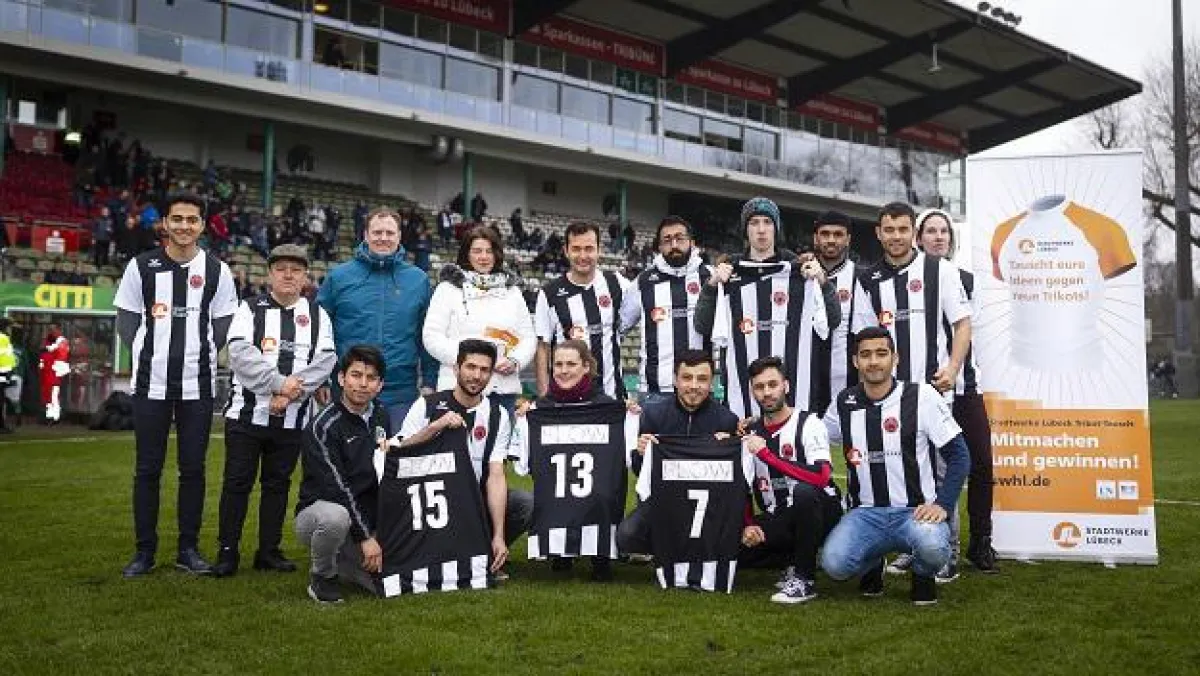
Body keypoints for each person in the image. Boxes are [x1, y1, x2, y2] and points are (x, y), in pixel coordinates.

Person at [114, 193, 239, 577]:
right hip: (150, 384)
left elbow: (222, 328)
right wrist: (152, 356)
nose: (185, 226)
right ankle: (144, 552)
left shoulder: (217, 271)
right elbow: (127, 323)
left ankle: (188, 549)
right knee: (147, 470)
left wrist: (191, 355)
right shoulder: (140, 267)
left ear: (202, 226)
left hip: (197, 384)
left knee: (193, 470)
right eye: (178, 219)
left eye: (192, 220)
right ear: (165, 223)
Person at [849, 202, 974, 581]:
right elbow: (865, 338)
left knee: (940, 473)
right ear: (879, 233)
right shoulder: (867, 280)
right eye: (889, 230)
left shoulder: (940, 270)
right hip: (890, 398)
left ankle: (947, 552)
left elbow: (962, 324)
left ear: (913, 233)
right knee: (903, 473)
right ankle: (911, 544)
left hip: (932, 392)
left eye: (903, 229)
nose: (896, 236)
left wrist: (952, 368)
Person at [819, 327, 970, 606]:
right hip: (865, 513)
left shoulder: (922, 396)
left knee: (934, 549)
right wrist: (762, 426)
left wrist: (943, 505)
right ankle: (873, 563)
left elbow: (960, 455)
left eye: (881, 353)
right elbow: (814, 434)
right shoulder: (844, 402)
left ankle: (923, 574)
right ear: (855, 362)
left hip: (915, 512)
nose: (873, 361)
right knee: (835, 564)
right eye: (865, 355)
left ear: (895, 358)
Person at [213, 244, 337, 578]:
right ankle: (227, 552)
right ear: (270, 274)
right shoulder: (249, 308)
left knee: (277, 485)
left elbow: (325, 361)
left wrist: (291, 395)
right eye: (281, 269)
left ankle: (268, 551)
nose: (288, 275)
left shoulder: (317, 315)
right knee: (237, 483)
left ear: (305, 276)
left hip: (293, 418)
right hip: (246, 415)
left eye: (295, 270)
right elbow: (240, 355)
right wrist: (280, 385)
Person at [388, 339, 533, 581]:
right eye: (470, 367)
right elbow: (399, 451)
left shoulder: (497, 415)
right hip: (431, 501)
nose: (476, 376)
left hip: (474, 501)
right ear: (456, 369)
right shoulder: (427, 405)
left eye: (484, 370)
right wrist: (435, 427)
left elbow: (496, 474)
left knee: (524, 503)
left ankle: (488, 553)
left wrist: (499, 535)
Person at [694, 196, 840, 418]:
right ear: (746, 230)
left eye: (767, 222)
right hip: (743, 393)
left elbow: (833, 320)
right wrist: (712, 287)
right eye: (754, 223)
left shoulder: (799, 271)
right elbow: (702, 325)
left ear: (776, 228)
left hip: (793, 390)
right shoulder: (730, 272)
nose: (761, 230)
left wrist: (823, 282)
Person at [913, 208, 998, 576]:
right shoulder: (908, 278)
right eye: (930, 231)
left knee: (981, 463)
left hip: (964, 387)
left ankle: (981, 542)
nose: (938, 237)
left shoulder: (966, 279)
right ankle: (924, 543)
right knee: (925, 467)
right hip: (929, 388)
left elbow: (970, 330)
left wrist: (956, 368)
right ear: (919, 239)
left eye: (944, 231)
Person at [512, 340, 638, 582]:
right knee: (557, 494)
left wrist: (628, 415)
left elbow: (628, 456)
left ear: (586, 367)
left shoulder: (607, 407)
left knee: (602, 493)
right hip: (558, 493)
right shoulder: (540, 409)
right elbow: (523, 464)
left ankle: (600, 555)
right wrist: (526, 419)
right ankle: (562, 551)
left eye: (571, 364)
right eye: (558, 364)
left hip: (597, 496)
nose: (564, 370)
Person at [317, 207, 437, 432]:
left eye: (389, 233)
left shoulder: (418, 280)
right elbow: (320, 332)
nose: (383, 238)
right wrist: (321, 379)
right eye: (377, 232)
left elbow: (427, 335)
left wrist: (430, 381)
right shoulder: (339, 277)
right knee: (347, 453)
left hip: (400, 392)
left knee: (397, 452)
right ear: (365, 234)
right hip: (348, 389)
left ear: (399, 236)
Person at [736, 356, 843, 604]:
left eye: (772, 384)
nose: (766, 392)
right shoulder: (750, 433)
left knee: (804, 492)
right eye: (759, 387)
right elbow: (743, 488)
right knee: (733, 549)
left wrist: (767, 455)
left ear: (786, 386)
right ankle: (795, 558)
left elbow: (821, 476)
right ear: (752, 391)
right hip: (780, 517)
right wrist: (748, 524)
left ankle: (804, 579)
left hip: (821, 511)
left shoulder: (809, 423)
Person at [615, 349, 740, 556]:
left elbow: (737, 483)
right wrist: (640, 453)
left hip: (709, 505)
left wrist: (729, 449)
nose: (694, 385)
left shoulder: (726, 420)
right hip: (663, 501)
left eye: (702, 379)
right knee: (627, 535)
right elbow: (640, 472)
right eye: (687, 378)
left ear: (712, 383)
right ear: (675, 380)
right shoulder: (653, 415)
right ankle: (664, 548)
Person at [295, 345, 391, 604]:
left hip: (364, 514)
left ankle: (347, 561)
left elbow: (386, 473)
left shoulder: (381, 415)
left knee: (385, 582)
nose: (363, 384)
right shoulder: (322, 426)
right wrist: (366, 538)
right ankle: (323, 576)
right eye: (356, 375)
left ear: (380, 384)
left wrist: (380, 531)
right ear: (341, 378)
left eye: (371, 378)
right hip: (322, 512)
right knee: (335, 517)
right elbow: (338, 488)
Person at [423, 227, 535, 415]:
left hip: (502, 391)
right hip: (457, 390)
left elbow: (528, 338)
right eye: (477, 251)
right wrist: (468, 362)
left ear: (497, 254)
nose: (483, 257)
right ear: (467, 254)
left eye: (489, 251)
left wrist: (515, 361)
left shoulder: (513, 292)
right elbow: (431, 336)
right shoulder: (447, 289)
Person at [618, 216, 711, 406]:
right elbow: (619, 328)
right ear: (659, 246)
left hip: (699, 391)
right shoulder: (643, 282)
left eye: (680, 238)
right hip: (655, 393)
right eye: (667, 240)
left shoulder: (710, 277)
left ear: (692, 243)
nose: (674, 245)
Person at [534, 222, 630, 400]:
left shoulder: (617, 284)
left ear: (599, 250)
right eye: (576, 249)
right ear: (566, 251)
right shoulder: (549, 294)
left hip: (611, 398)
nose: (583, 256)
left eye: (589, 249)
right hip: (566, 401)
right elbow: (543, 348)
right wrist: (544, 397)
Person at [813, 210, 859, 399]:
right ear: (815, 238)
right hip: (805, 377)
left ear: (848, 239)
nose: (831, 240)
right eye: (825, 234)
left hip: (848, 381)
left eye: (838, 234)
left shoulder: (861, 278)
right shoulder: (799, 275)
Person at [0, 317, 15, 433]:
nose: (11, 329)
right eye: (10, 327)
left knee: (2, 398)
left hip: (3, 373)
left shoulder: (4, 338)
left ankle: (1, 424)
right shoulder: (2, 338)